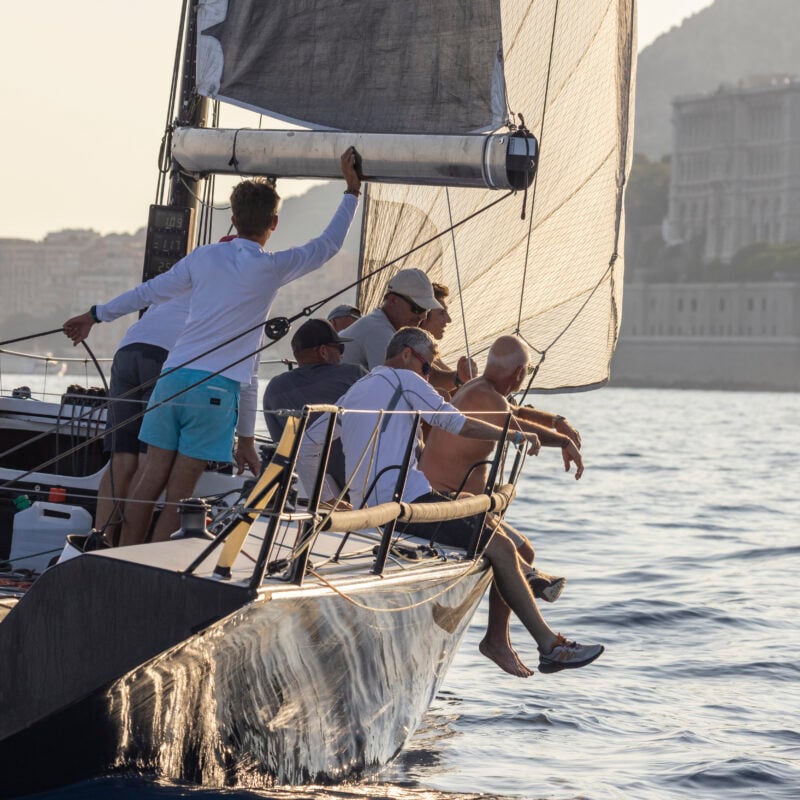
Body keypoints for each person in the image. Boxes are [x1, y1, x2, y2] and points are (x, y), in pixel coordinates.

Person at [63, 147, 362, 546]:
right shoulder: (272, 266)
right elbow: (326, 246)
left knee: (150, 476)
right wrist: (351, 192)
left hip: (171, 381)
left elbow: (148, 292)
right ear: (274, 223)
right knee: (181, 492)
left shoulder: (203, 257)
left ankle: (119, 551)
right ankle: (145, 566)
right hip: (215, 393)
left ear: (232, 218)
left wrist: (95, 315)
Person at [299, 327, 603, 676]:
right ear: (409, 355)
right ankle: (549, 647)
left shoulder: (358, 389)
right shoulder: (405, 379)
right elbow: (456, 423)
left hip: (384, 505)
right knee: (502, 548)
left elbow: (308, 445)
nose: (428, 376)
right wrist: (516, 435)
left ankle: (515, 609)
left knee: (496, 531)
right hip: (407, 507)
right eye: (428, 367)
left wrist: (328, 500)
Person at [420, 335, 586, 676]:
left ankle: (498, 638)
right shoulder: (484, 396)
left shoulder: (482, 389)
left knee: (524, 548)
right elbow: (516, 424)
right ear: (520, 373)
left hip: (466, 505)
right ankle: (528, 616)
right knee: (514, 552)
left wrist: (557, 421)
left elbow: (516, 411)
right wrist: (563, 441)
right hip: (443, 505)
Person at [94, 294, 190, 544]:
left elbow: (143, 294)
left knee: (122, 459)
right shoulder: (227, 286)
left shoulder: (185, 274)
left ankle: (98, 541)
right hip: (167, 356)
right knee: (148, 462)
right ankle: (127, 551)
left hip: (128, 350)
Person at [263, 318, 365, 490]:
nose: (342, 354)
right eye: (340, 348)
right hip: (362, 483)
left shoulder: (274, 389)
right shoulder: (355, 375)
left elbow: (281, 448)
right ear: (323, 351)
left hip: (310, 488)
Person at [340, 268, 441, 371]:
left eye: (426, 310)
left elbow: (425, 374)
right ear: (393, 301)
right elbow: (393, 382)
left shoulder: (381, 326)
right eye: (417, 309)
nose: (423, 316)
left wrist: (456, 378)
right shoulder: (379, 331)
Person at [420, 281, 477, 394]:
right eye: (442, 313)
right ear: (424, 315)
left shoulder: (431, 353)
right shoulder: (414, 353)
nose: (449, 319)